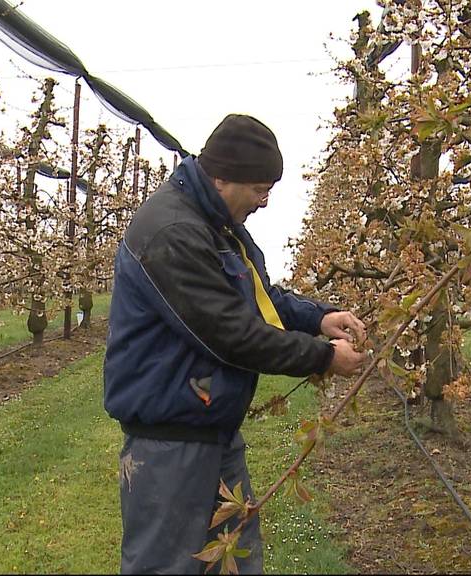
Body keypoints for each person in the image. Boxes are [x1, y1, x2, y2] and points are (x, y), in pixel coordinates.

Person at [103, 114, 367, 574]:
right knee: (166, 566)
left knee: (237, 562)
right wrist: (323, 357)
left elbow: (256, 297)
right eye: (260, 189)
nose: (264, 202)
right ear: (222, 177)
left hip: (212, 434)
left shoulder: (215, 223)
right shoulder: (172, 233)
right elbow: (231, 334)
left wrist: (319, 318)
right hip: (171, 446)